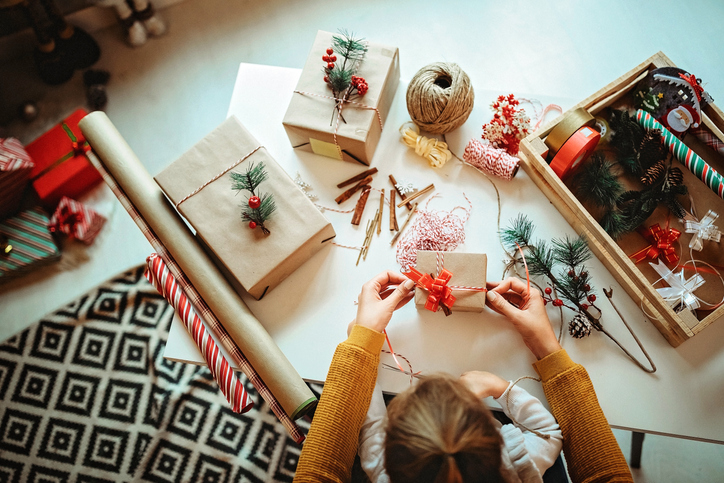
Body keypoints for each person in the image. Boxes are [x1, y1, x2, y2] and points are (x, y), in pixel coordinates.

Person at [294, 272, 634, 483]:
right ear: (497, 435)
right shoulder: (517, 463)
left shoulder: (381, 470)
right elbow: (548, 432)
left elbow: (367, 428)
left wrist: (361, 343)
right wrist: (501, 386)